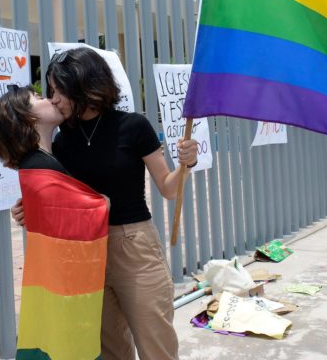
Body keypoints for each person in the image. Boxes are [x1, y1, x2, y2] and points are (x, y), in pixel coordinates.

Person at [12, 47, 199, 360]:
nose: (54, 99)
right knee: (110, 350)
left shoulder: (134, 126)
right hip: (87, 252)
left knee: (156, 345)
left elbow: (168, 188)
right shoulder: (63, 140)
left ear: (82, 84)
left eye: (58, 90)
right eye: (50, 92)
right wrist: (27, 209)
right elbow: (63, 199)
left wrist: (185, 166)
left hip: (134, 246)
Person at [0, 85, 110, 360]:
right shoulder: (39, 165)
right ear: (27, 117)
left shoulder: (45, 159)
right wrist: (104, 202)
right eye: (39, 97)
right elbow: (85, 211)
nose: (50, 99)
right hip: (64, 282)